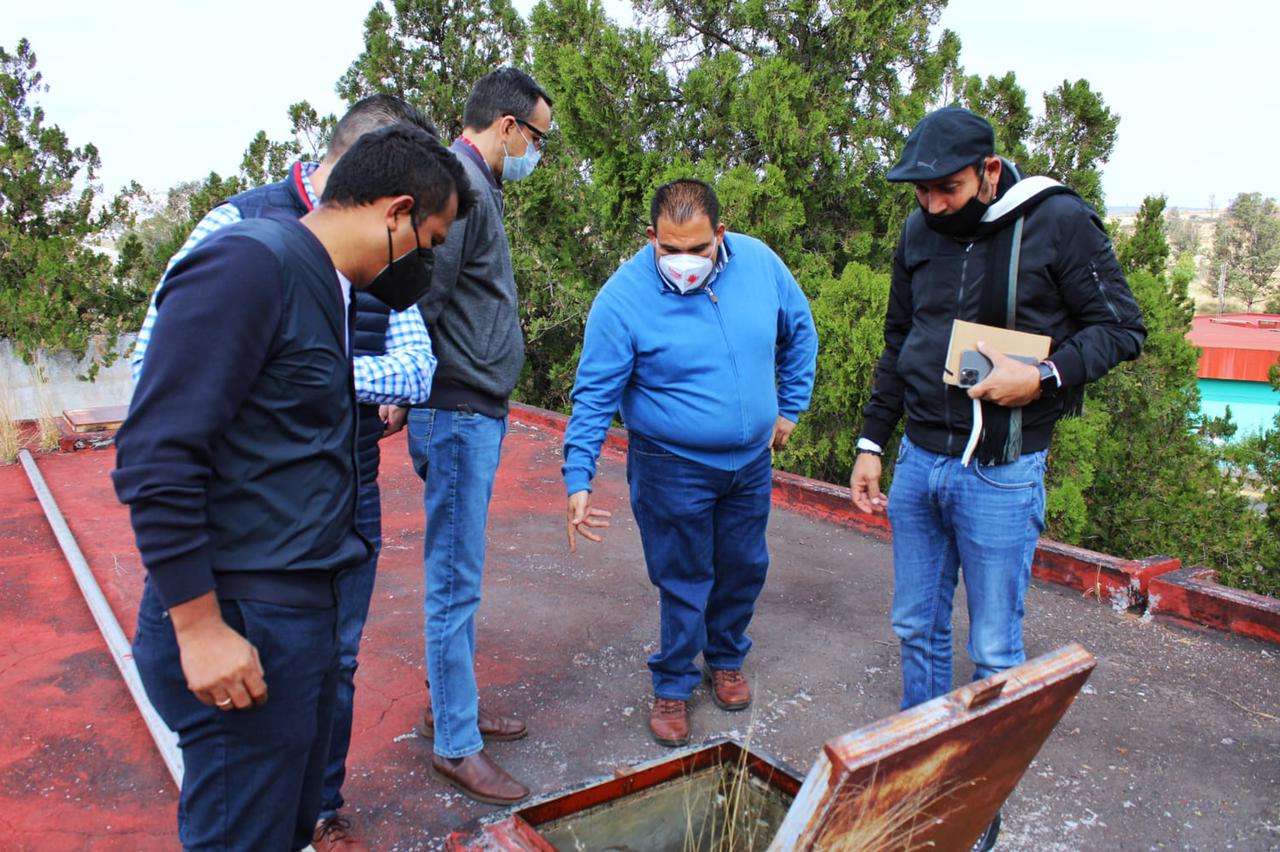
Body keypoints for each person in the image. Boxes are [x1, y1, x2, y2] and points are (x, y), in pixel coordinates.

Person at [113, 125, 473, 851]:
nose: (426, 265)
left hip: (296, 621)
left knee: (282, 828)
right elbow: (156, 454)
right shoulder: (250, 264)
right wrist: (199, 628)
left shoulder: (323, 284)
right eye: (430, 242)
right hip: (241, 627)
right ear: (396, 211)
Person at [849, 106, 1145, 851]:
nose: (932, 206)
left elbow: (1121, 327)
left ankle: (974, 803)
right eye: (920, 192)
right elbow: (899, 342)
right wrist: (870, 443)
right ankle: (920, 774)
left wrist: (1043, 375)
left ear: (987, 170)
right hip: (920, 461)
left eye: (946, 189)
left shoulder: (1056, 219)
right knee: (915, 626)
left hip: (1003, 474)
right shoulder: (920, 231)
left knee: (994, 650)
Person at [562, 179, 818, 747]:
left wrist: (790, 407)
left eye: (697, 250)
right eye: (669, 249)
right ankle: (673, 686)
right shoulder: (622, 299)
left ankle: (725, 658)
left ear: (720, 236)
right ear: (651, 237)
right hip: (670, 463)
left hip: (750, 462)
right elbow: (594, 394)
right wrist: (578, 475)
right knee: (684, 579)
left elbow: (800, 331)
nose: (684, 262)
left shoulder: (759, 263)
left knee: (745, 564)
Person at [407, 67, 552, 805]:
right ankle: (455, 744)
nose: (537, 153)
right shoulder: (460, 185)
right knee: (455, 579)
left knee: (460, 572)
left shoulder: (474, 183)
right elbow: (427, 297)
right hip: (458, 409)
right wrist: (413, 392)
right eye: (537, 138)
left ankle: (450, 707)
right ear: (506, 126)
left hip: (470, 408)